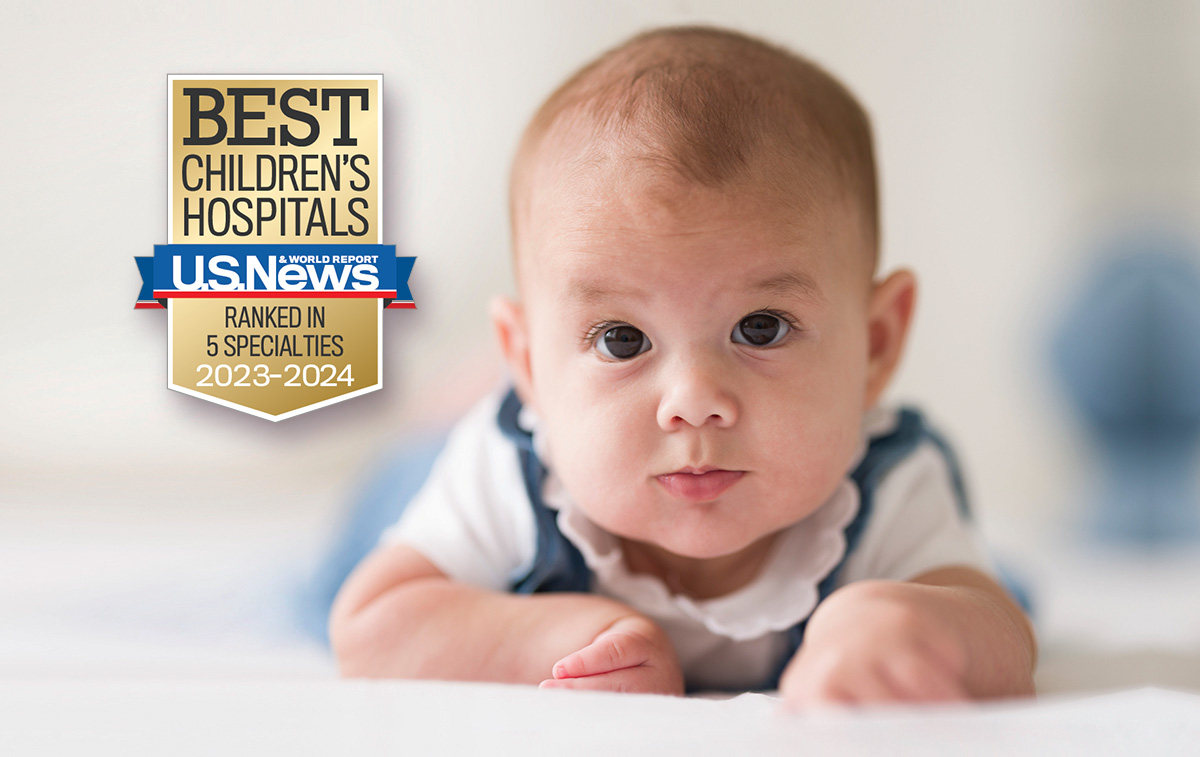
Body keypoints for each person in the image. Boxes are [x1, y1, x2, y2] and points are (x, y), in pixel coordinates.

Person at [329, 25, 1036, 704]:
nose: (694, 400)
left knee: (1006, 580)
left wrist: (907, 625)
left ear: (877, 345)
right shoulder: (508, 473)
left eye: (760, 329)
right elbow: (368, 625)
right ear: (531, 367)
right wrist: (569, 635)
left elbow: (1002, 632)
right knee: (381, 506)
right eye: (622, 339)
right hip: (432, 475)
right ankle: (457, 395)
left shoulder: (889, 484)